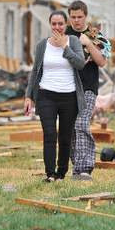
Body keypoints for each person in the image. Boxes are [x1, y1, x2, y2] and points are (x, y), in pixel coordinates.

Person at [24, 11, 85, 182]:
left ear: (66, 25)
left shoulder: (73, 41)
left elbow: (80, 64)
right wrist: (29, 96)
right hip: (46, 95)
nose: (57, 27)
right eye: (54, 24)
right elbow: (35, 71)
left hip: (69, 96)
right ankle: (50, 173)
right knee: (49, 134)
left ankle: (61, 173)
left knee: (65, 136)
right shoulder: (42, 45)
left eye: (60, 24)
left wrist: (64, 47)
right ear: (50, 25)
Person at [66, 1, 112, 181]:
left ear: (86, 16)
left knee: (81, 124)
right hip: (66, 88)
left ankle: (85, 168)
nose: (76, 21)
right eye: (73, 17)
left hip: (87, 88)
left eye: (80, 17)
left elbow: (102, 62)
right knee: (68, 129)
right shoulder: (64, 34)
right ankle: (75, 166)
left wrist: (88, 44)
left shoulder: (95, 35)